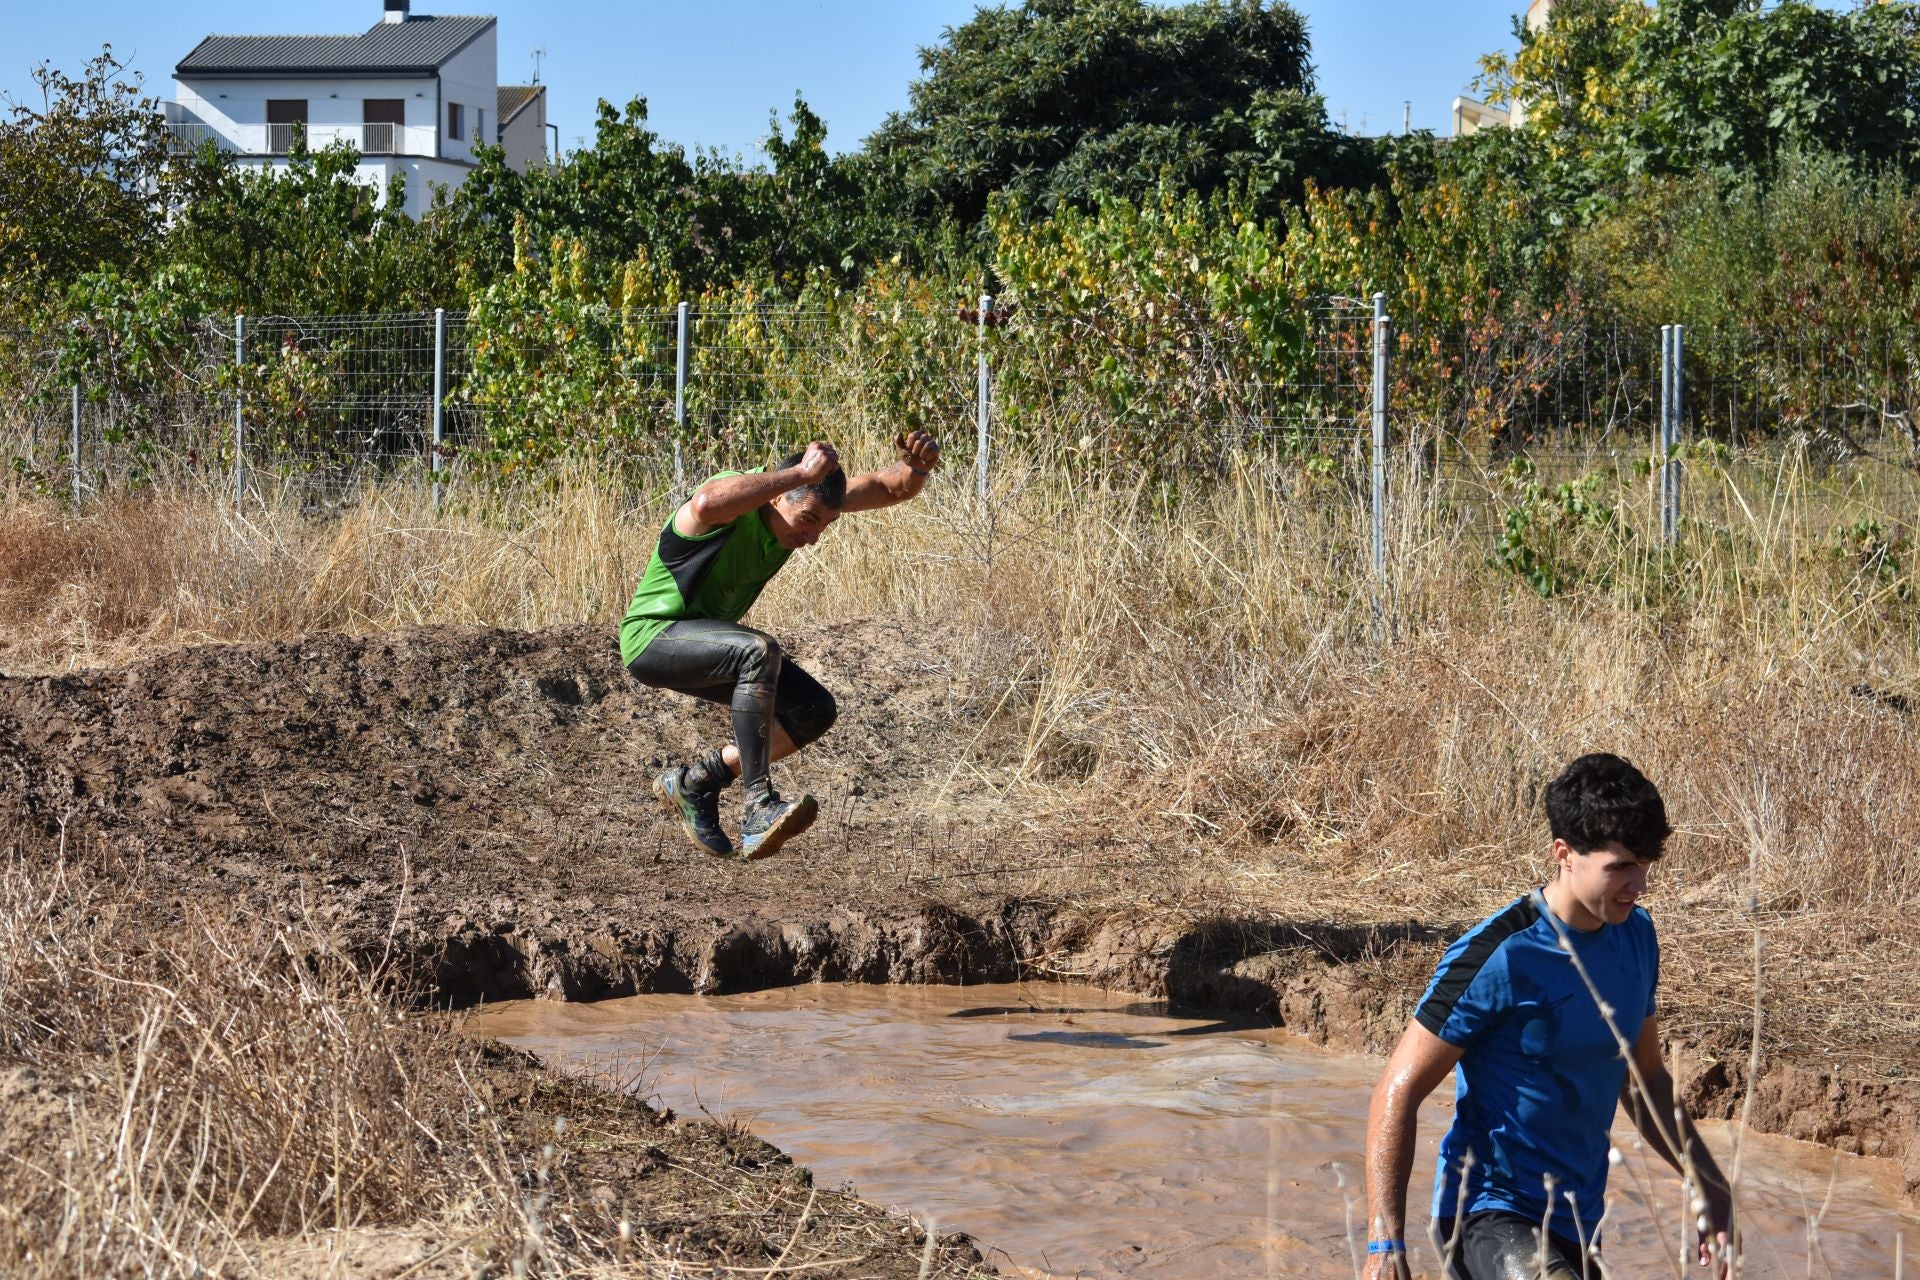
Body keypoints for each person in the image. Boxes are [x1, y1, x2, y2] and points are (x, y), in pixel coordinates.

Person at [1361, 753, 1735, 1280]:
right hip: (1486, 1213)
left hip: (1578, 1221)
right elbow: (1397, 1090)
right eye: (1620, 867)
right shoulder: (1501, 955)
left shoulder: (1637, 937)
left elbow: (1644, 1078)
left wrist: (1708, 1184)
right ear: (1564, 853)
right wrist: (1384, 1244)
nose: (1640, 884)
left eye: (1646, 863)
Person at [621, 431, 942, 861]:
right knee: (758, 650)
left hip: (703, 647)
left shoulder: (805, 500)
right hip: (652, 638)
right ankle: (758, 805)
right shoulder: (735, 503)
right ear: (777, 496)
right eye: (808, 519)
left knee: (814, 710)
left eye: (825, 525)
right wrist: (798, 474)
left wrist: (916, 470)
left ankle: (698, 781)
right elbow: (704, 503)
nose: (813, 537)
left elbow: (887, 487)